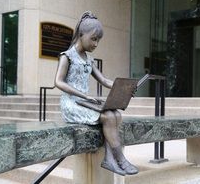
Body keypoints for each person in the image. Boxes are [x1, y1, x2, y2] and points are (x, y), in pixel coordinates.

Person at [54, 11, 138, 176]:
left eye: (98, 40)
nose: (96, 44)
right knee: (107, 117)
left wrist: (124, 87)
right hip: (71, 104)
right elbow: (58, 82)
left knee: (116, 114)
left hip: (84, 102)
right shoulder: (67, 56)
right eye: (93, 39)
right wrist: (83, 95)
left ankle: (109, 158)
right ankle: (120, 158)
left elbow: (104, 81)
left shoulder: (89, 59)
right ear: (81, 35)